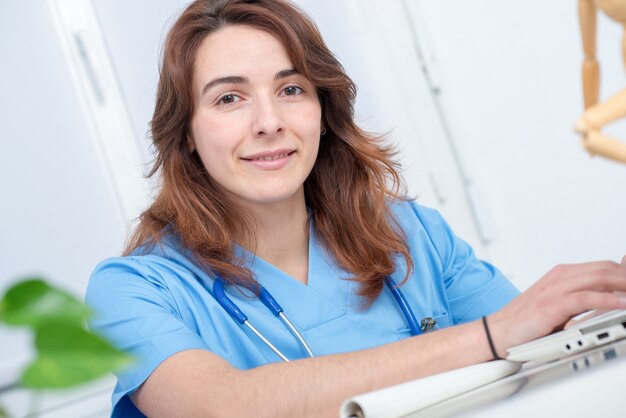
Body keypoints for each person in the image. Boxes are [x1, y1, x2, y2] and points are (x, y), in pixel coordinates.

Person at [85, 0, 626, 416]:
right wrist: (486, 338)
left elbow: (547, 355)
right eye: (230, 98)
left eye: (291, 88)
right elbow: (223, 406)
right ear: (185, 135)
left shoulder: (411, 235)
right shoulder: (134, 290)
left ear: (324, 109)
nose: (269, 121)